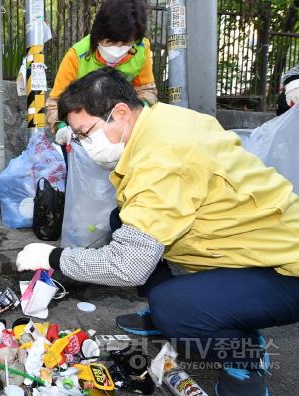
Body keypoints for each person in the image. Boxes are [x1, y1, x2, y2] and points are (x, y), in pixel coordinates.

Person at [15, 68, 299, 396]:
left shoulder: (161, 159)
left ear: (119, 113)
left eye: (85, 133)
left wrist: (53, 256)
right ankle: (203, 310)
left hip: (286, 269)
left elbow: (128, 265)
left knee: (173, 309)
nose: (82, 144)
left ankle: (244, 353)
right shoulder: (160, 120)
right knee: (122, 219)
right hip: (247, 246)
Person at [48, 0, 158, 146]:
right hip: (87, 135)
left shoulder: (141, 49)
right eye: (111, 42)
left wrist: (138, 111)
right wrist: (60, 126)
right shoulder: (77, 56)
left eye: (125, 44)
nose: (118, 49)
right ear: (98, 35)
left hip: (126, 131)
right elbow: (55, 102)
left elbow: (146, 91)